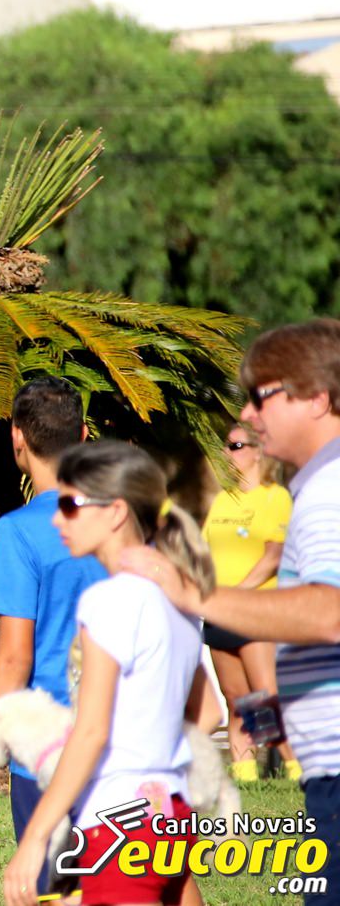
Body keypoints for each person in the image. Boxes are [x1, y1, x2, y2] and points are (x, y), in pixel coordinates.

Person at [124, 319, 340, 906]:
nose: (247, 415)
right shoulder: (314, 486)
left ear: (318, 399)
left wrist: (193, 594)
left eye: (261, 396)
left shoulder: (325, 493)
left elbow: (329, 611)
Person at [3, 440, 214, 906]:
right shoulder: (177, 594)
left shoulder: (109, 601)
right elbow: (209, 712)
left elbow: (92, 731)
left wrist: (35, 837)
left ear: (116, 511)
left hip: (120, 820)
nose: (57, 520)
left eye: (69, 506)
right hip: (172, 811)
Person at [0, 376, 103, 898]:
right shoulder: (122, 518)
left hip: (47, 751)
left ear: (17, 437)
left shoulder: (17, 532)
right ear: (84, 435)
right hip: (122, 737)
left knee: (58, 891)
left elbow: (13, 660)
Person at [202, 424, 301, 782]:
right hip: (218, 611)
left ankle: (297, 771)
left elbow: (273, 556)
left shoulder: (275, 497)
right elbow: (204, 550)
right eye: (225, 446)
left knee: (264, 698)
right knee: (236, 698)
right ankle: (245, 777)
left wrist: (236, 594)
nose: (226, 453)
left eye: (236, 446)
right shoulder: (222, 500)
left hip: (255, 610)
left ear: (258, 451)